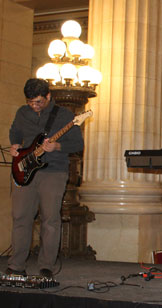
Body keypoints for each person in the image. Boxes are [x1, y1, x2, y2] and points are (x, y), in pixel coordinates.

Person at [7, 78, 84, 278]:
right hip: (24, 171)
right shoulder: (22, 113)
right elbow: (15, 132)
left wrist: (57, 146)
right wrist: (15, 144)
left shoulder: (65, 115)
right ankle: (16, 265)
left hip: (54, 171)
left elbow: (77, 144)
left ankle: (46, 266)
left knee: (50, 219)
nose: (34, 106)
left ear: (48, 96)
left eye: (38, 101)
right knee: (20, 217)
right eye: (30, 102)